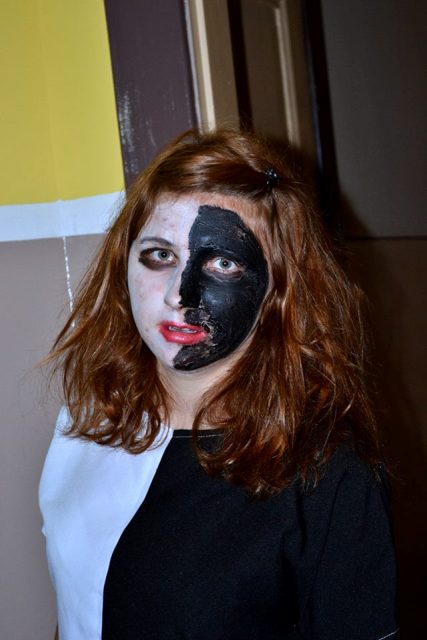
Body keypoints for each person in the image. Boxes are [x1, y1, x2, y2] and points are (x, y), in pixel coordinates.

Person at [39, 128, 398, 640]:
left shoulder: (326, 476)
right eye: (160, 255)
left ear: (278, 289)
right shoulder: (86, 425)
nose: (179, 296)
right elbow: (78, 608)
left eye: (223, 263)